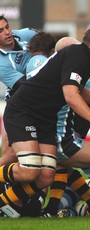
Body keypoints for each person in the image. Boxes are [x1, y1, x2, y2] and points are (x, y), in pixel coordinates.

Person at [0, 23, 90, 218]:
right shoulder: (78, 56)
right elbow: (71, 96)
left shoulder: (81, 57)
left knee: (46, 176)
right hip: (24, 113)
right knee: (30, 171)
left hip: (45, 119)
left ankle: (5, 203)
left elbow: (79, 91)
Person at [0, 15, 37, 166]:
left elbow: (52, 47)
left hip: (41, 102)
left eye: (7, 27)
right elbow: (26, 88)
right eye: (0, 31)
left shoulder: (28, 34)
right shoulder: (1, 64)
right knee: (10, 155)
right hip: (19, 106)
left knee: (47, 159)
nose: (7, 32)